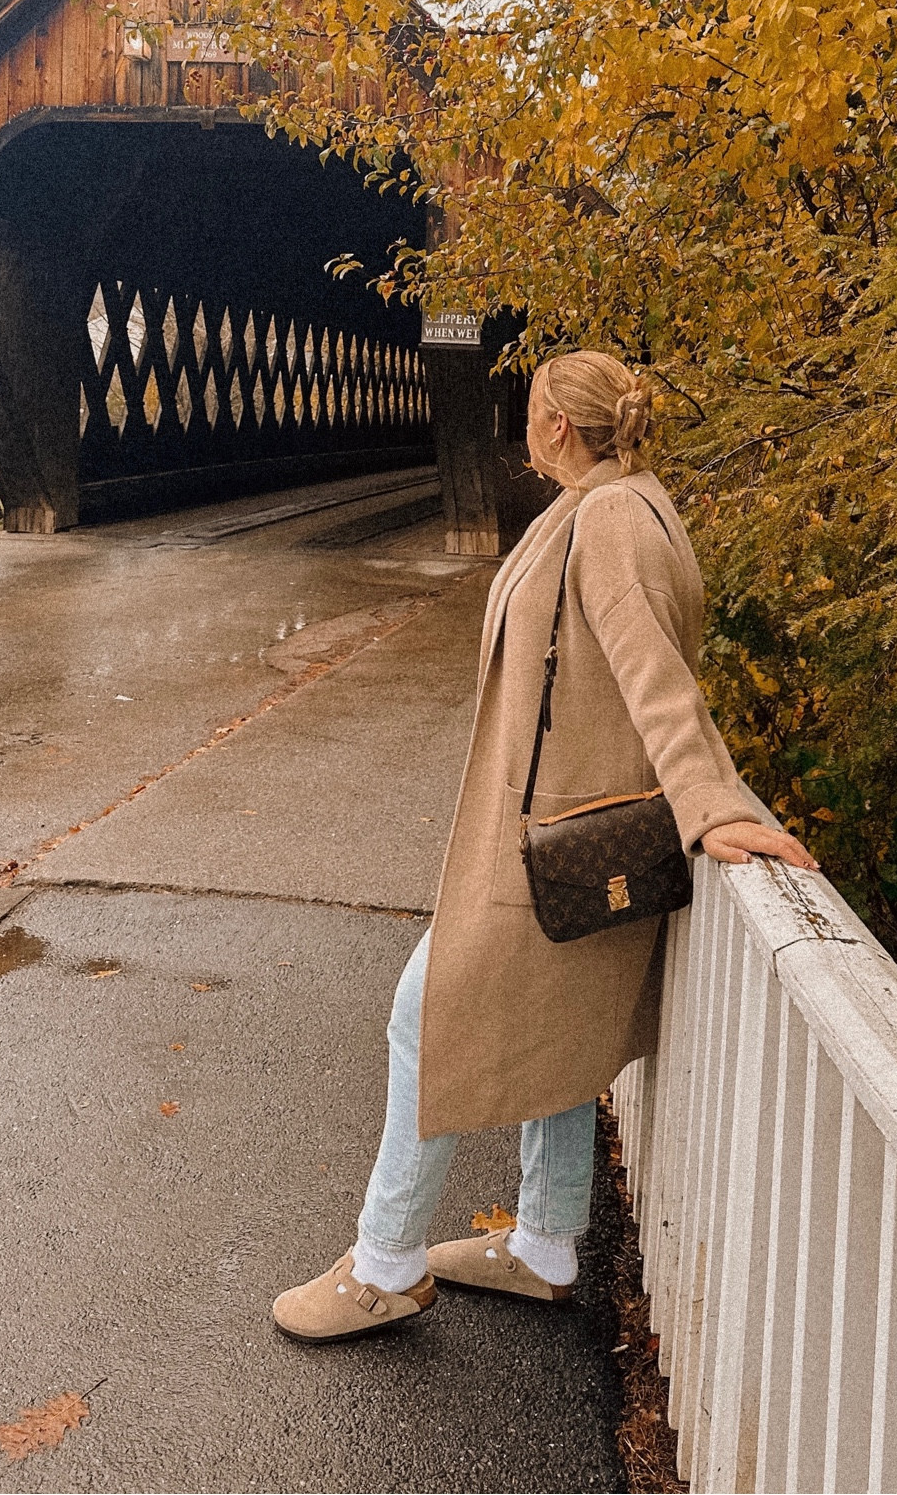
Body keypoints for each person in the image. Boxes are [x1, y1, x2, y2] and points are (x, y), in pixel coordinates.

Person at [273, 350, 817, 1340]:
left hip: (556, 842)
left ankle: (384, 1261)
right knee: (555, 1040)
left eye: (529, 409)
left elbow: (654, 671)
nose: (523, 423)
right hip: (562, 832)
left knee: (420, 1018)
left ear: (555, 425)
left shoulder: (608, 519)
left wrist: (709, 802)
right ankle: (544, 1244)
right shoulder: (615, 500)